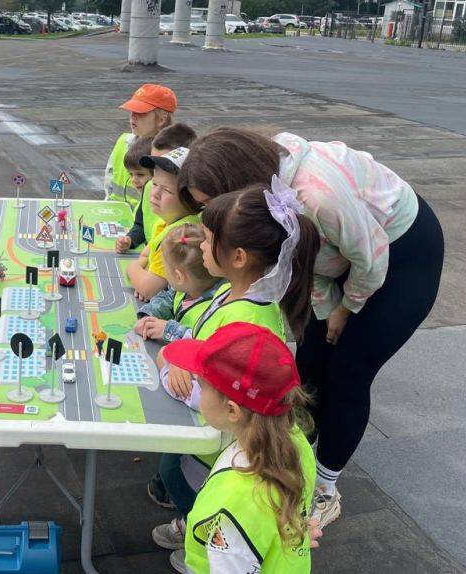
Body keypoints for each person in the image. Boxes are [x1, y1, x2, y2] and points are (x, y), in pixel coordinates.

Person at [180, 127, 444, 529]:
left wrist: (345, 310)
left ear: (234, 183)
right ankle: (297, 458)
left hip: (401, 253)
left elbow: (371, 259)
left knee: (349, 371)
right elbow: (305, 259)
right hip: (341, 256)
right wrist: (326, 308)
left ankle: (324, 488)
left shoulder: (314, 197)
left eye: (211, 202)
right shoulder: (269, 196)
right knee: (311, 361)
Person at [151, 181, 319, 526]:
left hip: (220, 437)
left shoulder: (244, 319)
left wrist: (167, 365)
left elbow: (209, 390)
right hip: (221, 427)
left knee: (182, 479)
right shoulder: (232, 292)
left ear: (238, 257)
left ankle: (198, 531)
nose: (201, 249)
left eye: (209, 242)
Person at [154, 323, 317, 574]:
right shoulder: (295, 441)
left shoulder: (235, 503)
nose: (196, 387)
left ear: (232, 410)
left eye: (200, 384)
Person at [133, 223, 223, 516]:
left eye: (169, 273)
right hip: (195, 397)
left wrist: (168, 332)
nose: (167, 281)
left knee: (176, 469)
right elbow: (166, 297)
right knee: (173, 461)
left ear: (181, 275)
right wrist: (149, 315)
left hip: (204, 406)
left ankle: (195, 526)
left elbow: (198, 337)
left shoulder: (214, 305)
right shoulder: (186, 290)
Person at [126, 146, 202, 301]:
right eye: (154, 184)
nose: (155, 194)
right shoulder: (164, 224)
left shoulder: (179, 235)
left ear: (192, 197)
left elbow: (148, 288)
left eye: (167, 190)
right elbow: (145, 255)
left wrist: (131, 268)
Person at [117, 123, 198, 254]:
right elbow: (141, 225)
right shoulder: (150, 187)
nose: (156, 171)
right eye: (154, 163)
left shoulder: (188, 222)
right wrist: (130, 240)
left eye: (165, 164)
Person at [104, 83, 177, 208]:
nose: (133, 116)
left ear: (161, 119)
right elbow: (109, 187)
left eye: (141, 112)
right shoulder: (123, 142)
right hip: (115, 218)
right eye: (132, 111)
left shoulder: (171, 156)